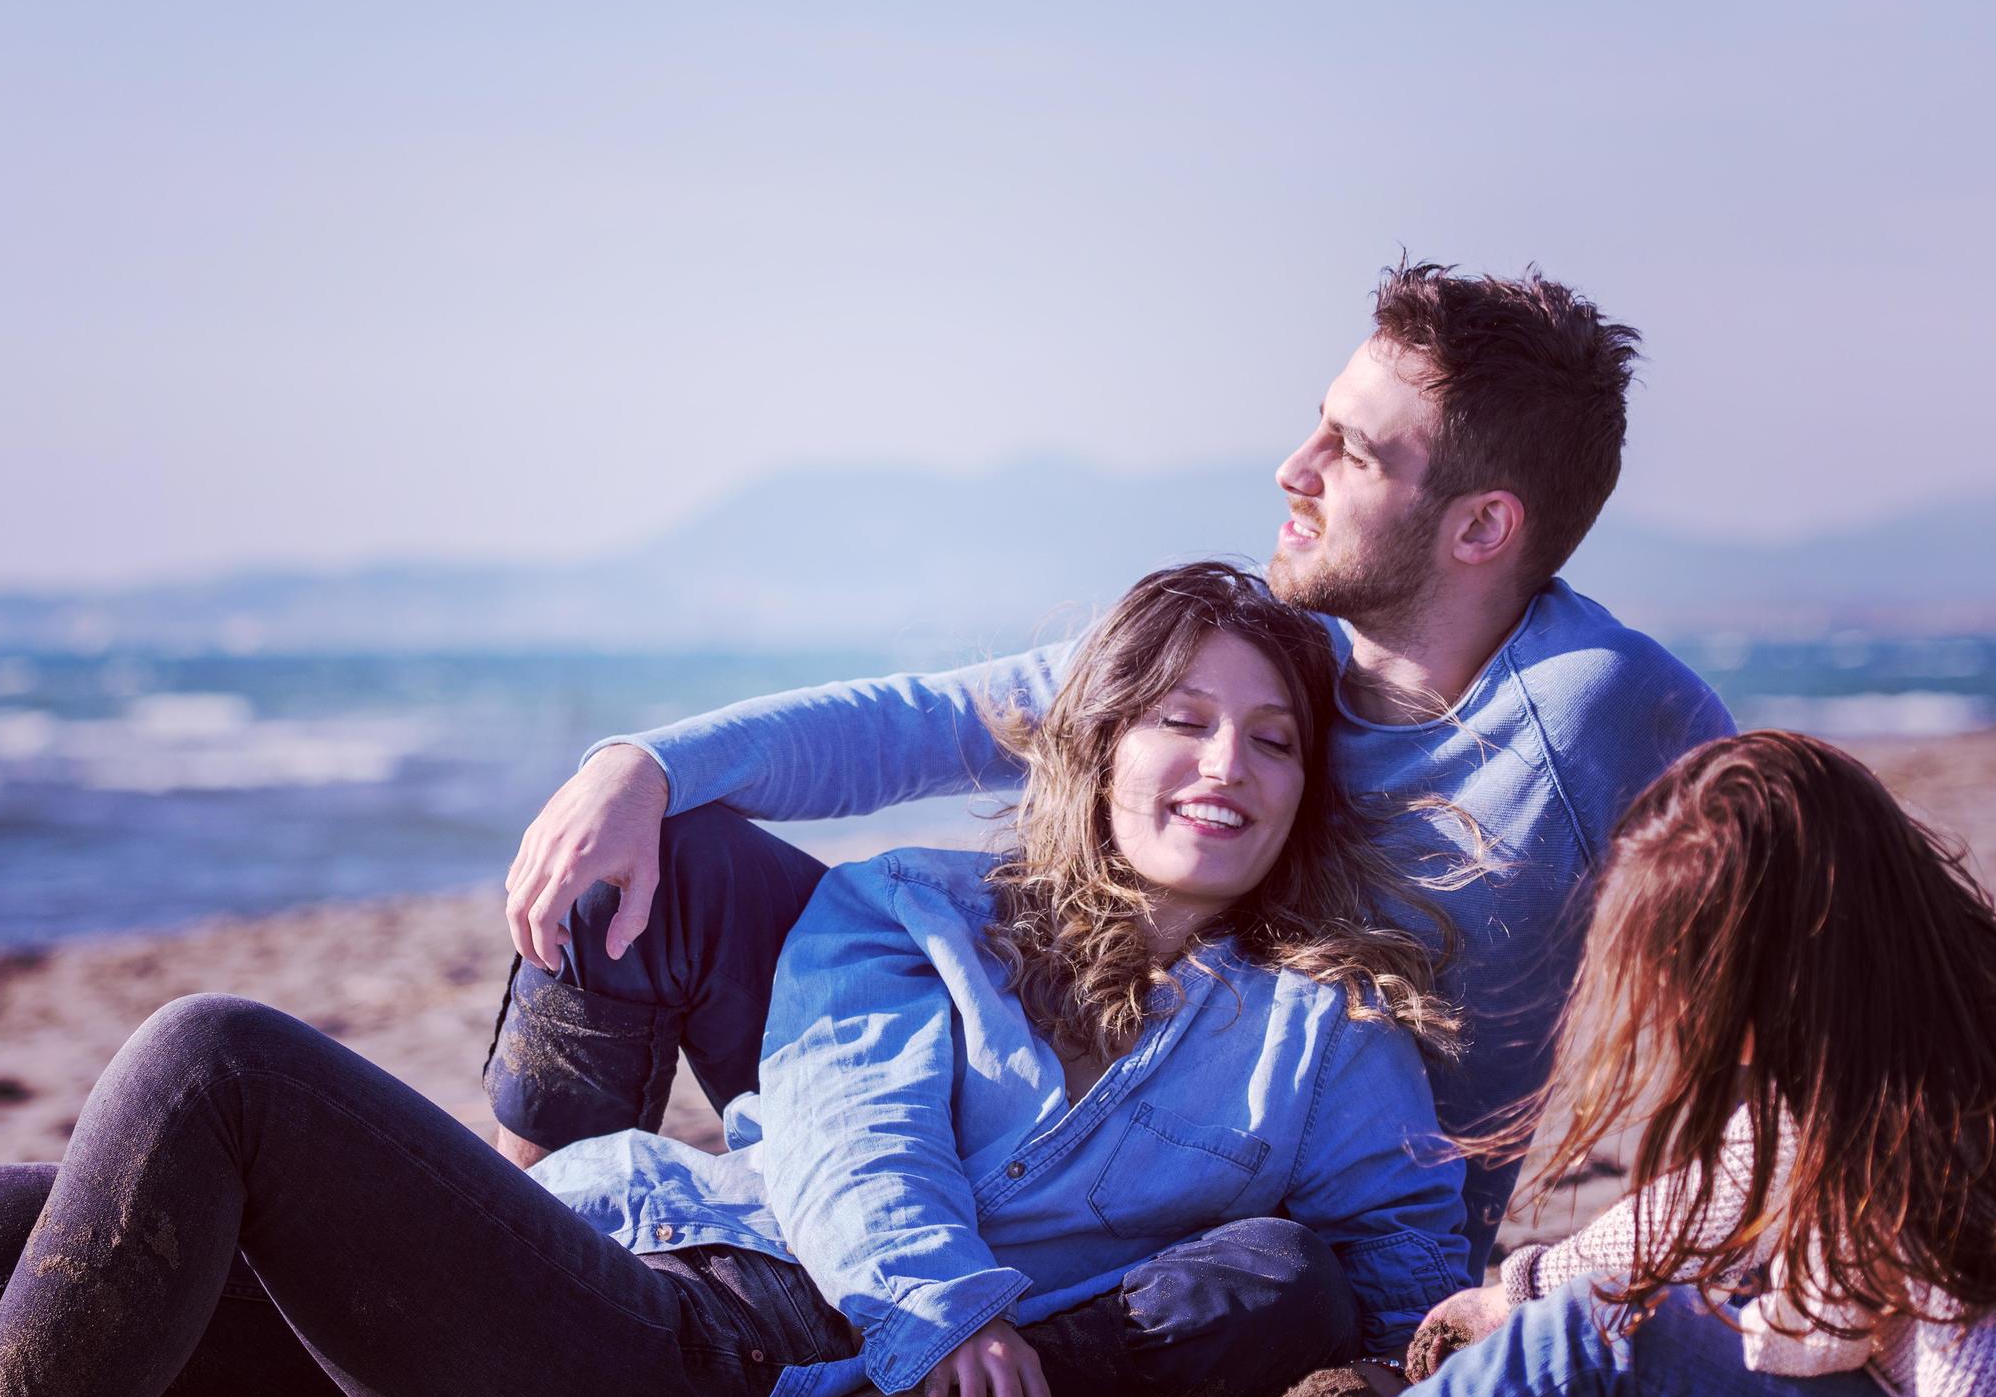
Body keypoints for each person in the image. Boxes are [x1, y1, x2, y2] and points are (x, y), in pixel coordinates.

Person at [0, 564, 1467, 1397]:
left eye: (1269, 743)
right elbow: (859, 1134)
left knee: (215, 1056)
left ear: (1305, 789)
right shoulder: (914, 915)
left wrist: (1504, 1345)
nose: (1221, 768)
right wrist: (941, 1296)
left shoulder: (1327, 1031)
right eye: (1180, 724)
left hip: (729, 1356)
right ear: (1094, 747)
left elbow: (1389, 1260)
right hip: (618, 1296)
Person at [491, 262, 1733, 1268]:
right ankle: (520, 1252)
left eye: (1348, 451)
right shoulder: (1264, 651)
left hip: (1243, 1219)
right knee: (660, 857)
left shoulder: (1600, 713)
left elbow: (1813, 977)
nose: (1290, 470)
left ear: (1479, 525)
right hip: (1031, 1101)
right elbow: (920, 721)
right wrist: (643, 763)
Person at [1077, 731, 1996, 1397]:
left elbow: (1977, 1351)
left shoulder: (1934, 1131)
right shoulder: (1940, 1025)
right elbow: (1720, 1189)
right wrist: (1518, 1285)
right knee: (1640, 1293)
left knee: (1618, 1332)